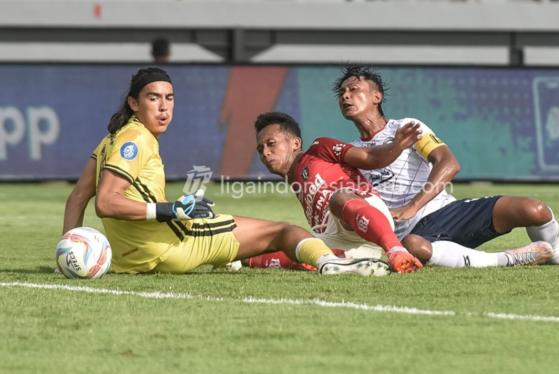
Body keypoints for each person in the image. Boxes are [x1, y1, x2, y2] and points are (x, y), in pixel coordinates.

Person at [61, 67, 389, 277]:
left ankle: (233, 258)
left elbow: (77, 199)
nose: (164, 107)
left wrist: (68, 249)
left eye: (169, 98)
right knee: (282, 232)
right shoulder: (136, 139)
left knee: (242, 240)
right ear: (134, 103)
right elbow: (105, 203)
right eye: (153, 98)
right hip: (169, 247)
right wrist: (170, 209)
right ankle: (331, 263)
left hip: (127, 259)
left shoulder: (111, 140)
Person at [333, 64, 559, 268]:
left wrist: (413, 205)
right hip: (415, 234)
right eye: (342, 93)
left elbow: (449, 163)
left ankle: (558, 255)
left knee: (535, 209)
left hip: (450, 212)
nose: (346, 96)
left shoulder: (406, 128)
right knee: (414, 246)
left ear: (377, 96)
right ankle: (507, 259)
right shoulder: (352, 153)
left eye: (353, 90)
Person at [251, 112, 552, 273]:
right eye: (260, 148)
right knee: (292, 240)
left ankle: (394, 250)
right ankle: (240, 259)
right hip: (353, 233)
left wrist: (396, 147)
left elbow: (371, 159)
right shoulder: (294, 179)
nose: (265, 153)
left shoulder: (319, 148)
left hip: (365, 213)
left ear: (295, 142)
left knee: (339, 198)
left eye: (271, 143)